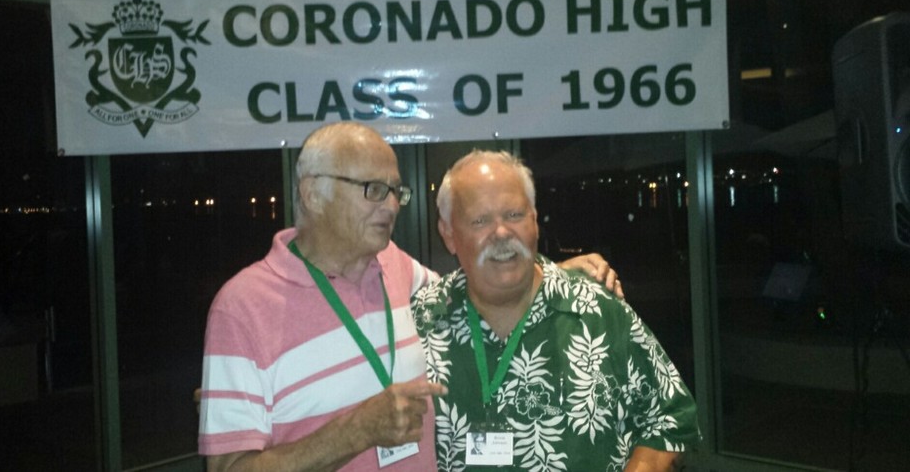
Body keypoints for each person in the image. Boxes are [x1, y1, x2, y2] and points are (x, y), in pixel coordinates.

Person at [198, 122, 620, 471]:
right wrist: (357, 431)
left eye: (396, 191)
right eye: (373, 189)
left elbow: (469, 288)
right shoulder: (242, 308)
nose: (391, 206)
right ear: (312, 194)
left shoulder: (394, 265)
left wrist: (544, 271)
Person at [413, 150, 700, 471]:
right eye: (480, 220)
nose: (502, 232)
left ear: (535, 221)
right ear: (449, 234)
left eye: (514, 214)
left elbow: (672, 421)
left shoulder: (598, 311)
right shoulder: (420, 320)